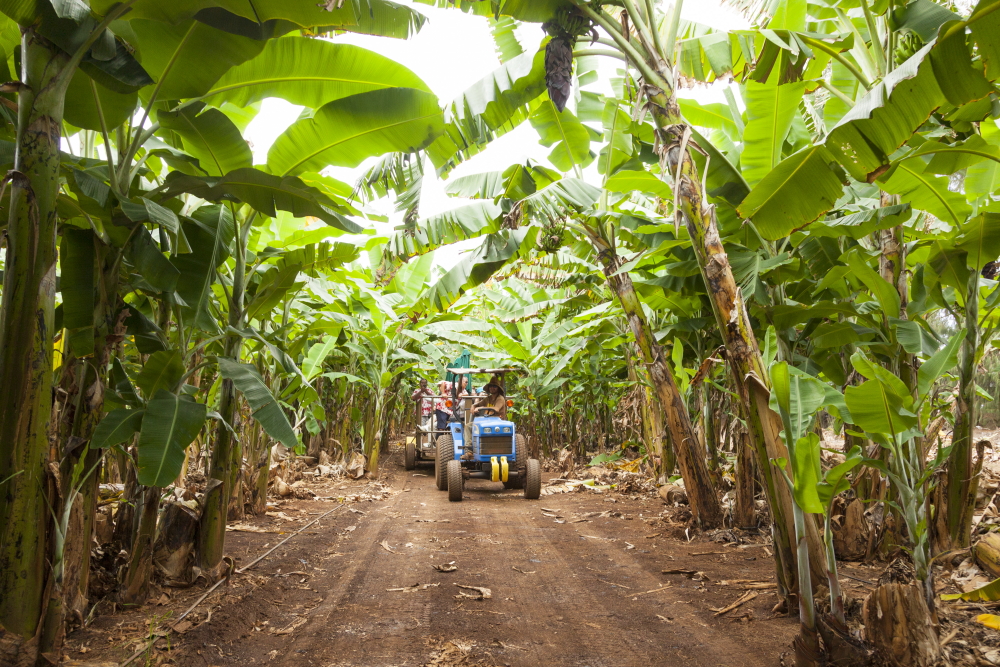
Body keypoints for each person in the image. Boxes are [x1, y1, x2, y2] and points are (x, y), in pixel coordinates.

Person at [411, 379, 434, 443]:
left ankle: (428, 442)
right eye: (422, 383)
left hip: (429, 413)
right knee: (421, 429)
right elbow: (413, 398)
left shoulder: (430, 390)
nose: (423, 384)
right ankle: (421, 443)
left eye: (425, 383)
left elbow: (434, 397)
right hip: (420, 413)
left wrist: (426, 391)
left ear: (426, 383)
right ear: (420, 383)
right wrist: (421, 391)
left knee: (429, 428)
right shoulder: (417, 390)